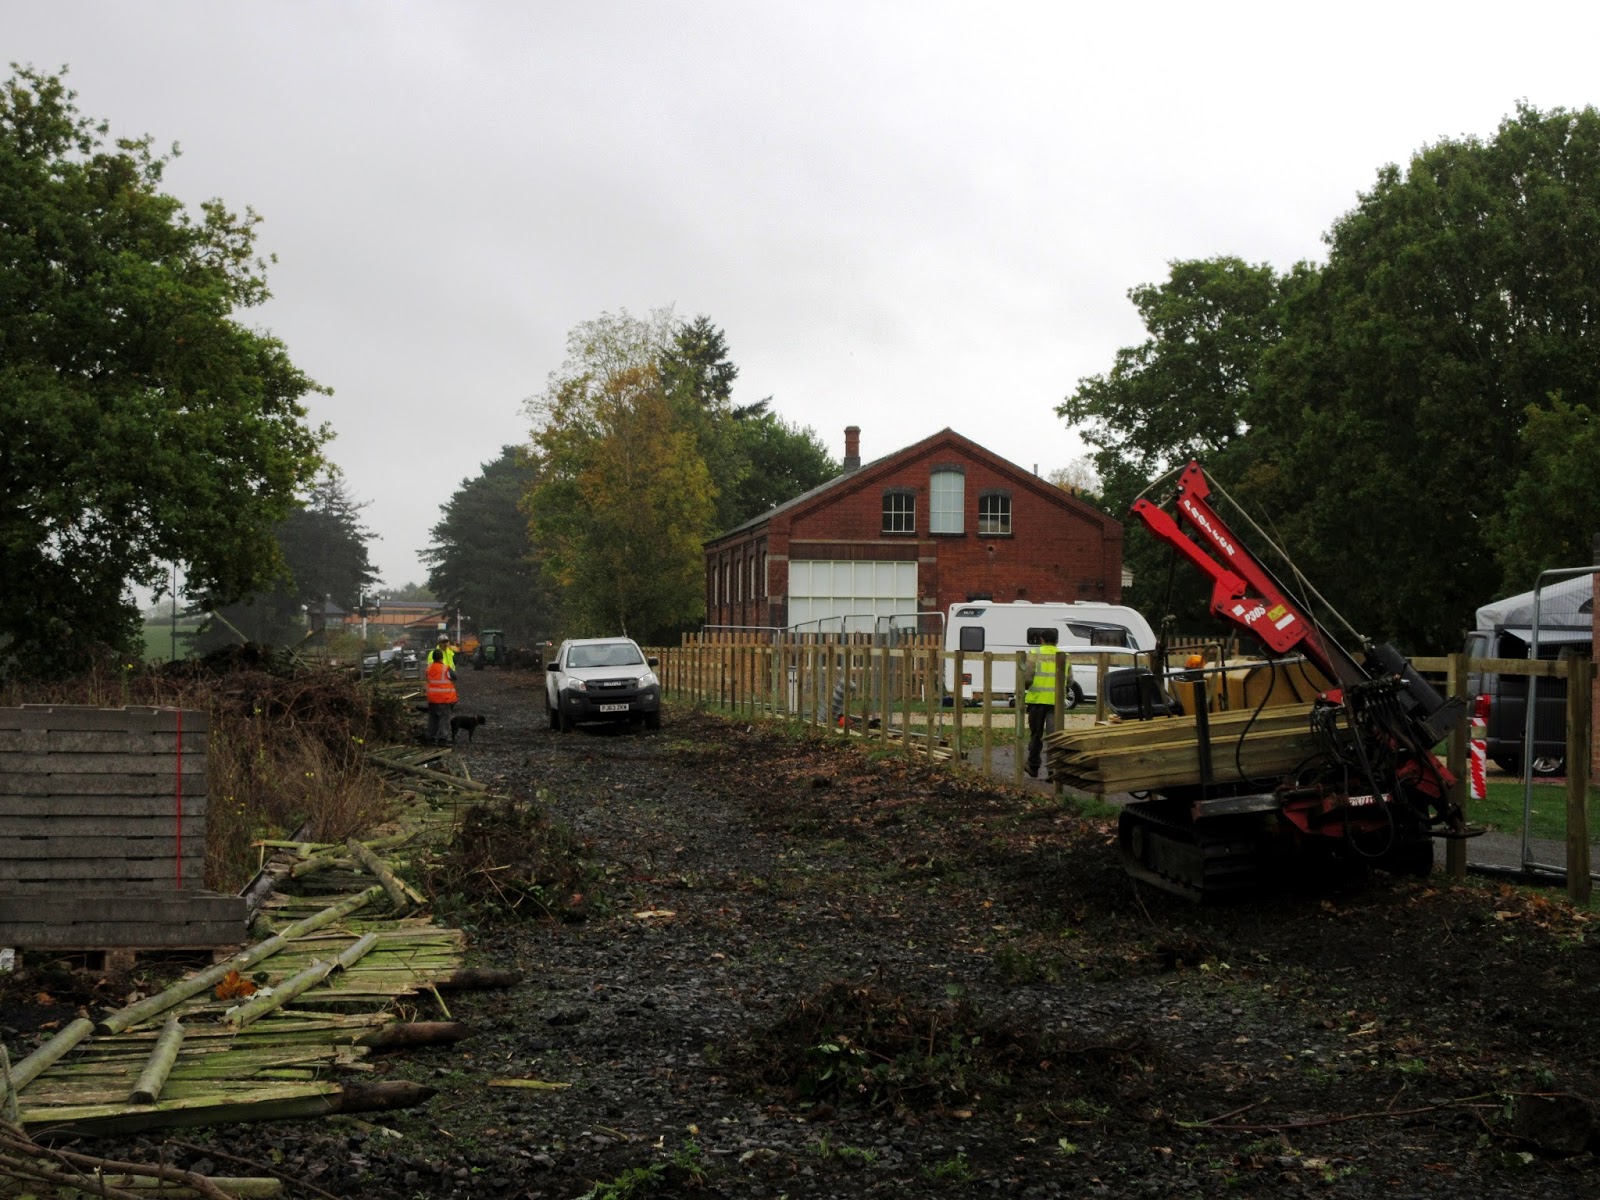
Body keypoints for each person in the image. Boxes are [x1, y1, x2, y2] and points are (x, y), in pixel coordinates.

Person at [1020, 629, 1070, 779]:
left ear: (1042, 639)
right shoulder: (1064, 656)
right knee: (1054, 736)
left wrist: (1028, 687)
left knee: (1036, 735)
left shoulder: (1034, 654)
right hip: (1056, 702)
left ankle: (1033, 766)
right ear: (1056, 640)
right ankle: (1052, 770)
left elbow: (1027, 677)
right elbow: (1070, 679)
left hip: (1037, 700)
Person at [424, 647, 458, 745]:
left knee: (432, 719)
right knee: (444, 719)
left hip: (432, 698)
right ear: (441, 658)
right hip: (444, 698)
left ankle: (430, 737)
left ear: (433, 657)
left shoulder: (429, 669)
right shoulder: (446, 668)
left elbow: (428, 678)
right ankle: (442, 739)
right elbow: (455, 676)